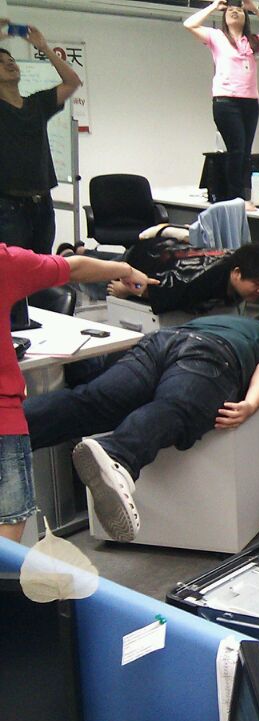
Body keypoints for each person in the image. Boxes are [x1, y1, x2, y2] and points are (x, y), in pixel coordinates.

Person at [24, 313, 259, 542]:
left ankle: (14, 428)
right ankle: (117, 455)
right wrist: (250, 406)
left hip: (159, 342)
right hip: (212, 354)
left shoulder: (230, 321)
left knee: (93, 401)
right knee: (177, 408)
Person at [1, 243, 157, 543]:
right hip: (3, 421)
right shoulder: (3, 262)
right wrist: (125, 269)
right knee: (8, 535)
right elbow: (73, 267)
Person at [184, 0, 259, 202]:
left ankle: (240, 195)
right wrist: (213, 6)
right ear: (224, 16)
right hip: (226, 101)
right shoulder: (217, 37)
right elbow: (189, 24)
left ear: (245, 17)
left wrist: (255, 9)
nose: (235, 12)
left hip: (250, 102)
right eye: (230, 10)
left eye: (239, 10)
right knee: (237, 149)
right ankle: (236, 198)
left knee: (245, 152)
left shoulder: (253, 41)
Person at [0, 24, 82, 252]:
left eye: (11, 60)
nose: (9, 63)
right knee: (14, 269)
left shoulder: (37, 104)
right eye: (1, 62)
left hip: (42, 203)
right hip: (8, 206)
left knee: (43, 266)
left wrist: (44, 48)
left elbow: (73, 82)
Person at [108, 241, 259, 313]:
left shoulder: (240, 259)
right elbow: (152, 287)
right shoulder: (200, 280)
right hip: (141, 259)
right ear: (237, 273)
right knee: (100, 274)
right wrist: (127, 290)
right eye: (257, 283)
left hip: (167, 252)